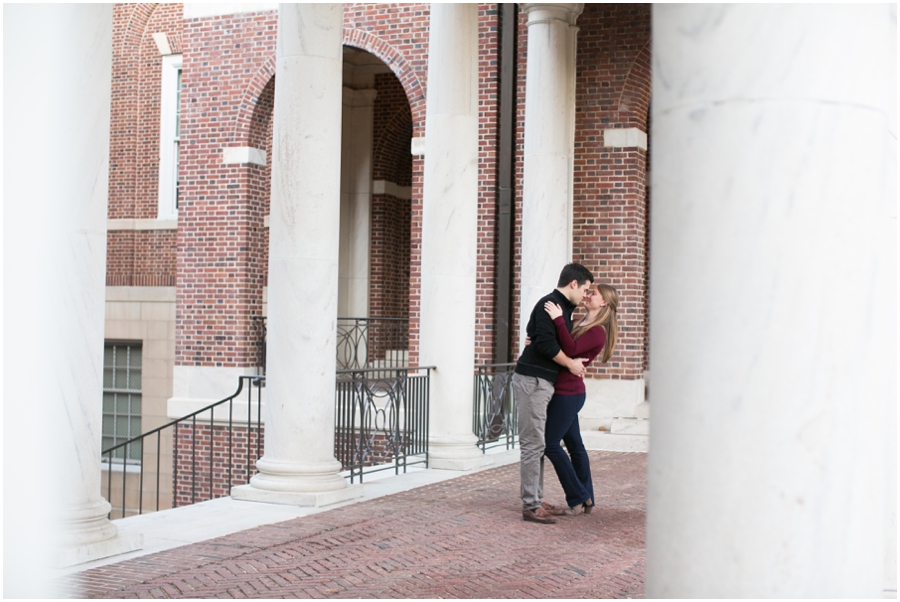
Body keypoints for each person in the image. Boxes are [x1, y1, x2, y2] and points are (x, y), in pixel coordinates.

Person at [513, 263, 594, 524]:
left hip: (544, 382)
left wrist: (534, 339)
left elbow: (534, 333)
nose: (586, 295)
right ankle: (530, 505)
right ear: (574, 283)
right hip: (532, 380)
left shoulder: (565, 309)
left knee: (539, 443)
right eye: (586, 289)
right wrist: (570, 363)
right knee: (533, 444)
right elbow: (546, 342)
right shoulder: (548, 303)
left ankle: (535, 499)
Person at [543, 283, 619, 516]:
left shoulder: (598, 331)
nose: (586, 295)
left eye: (592, 293)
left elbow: (571, 347)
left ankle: (578, 497)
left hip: (569, 394)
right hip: (565, 391)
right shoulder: (580, 322)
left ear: (604, 302)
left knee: (550, 444)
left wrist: (557, 319)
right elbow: (562, 349)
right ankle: (587, 499)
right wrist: (538, 345)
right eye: (587, 292)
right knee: (575, 446)